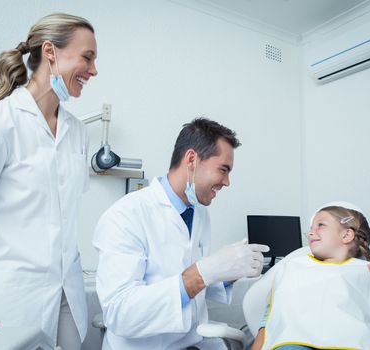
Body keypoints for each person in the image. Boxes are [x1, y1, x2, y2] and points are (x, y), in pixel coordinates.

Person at [0, 13, 98, 349]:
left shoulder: (78, 132)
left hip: (68, 298)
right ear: (50, 52)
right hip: (11, 301)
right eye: (87, 57)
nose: (94, 70)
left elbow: (62, 218)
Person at [93, 118, 269, 350]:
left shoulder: (199, 213)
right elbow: (120, 313)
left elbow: (187, 283)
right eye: (223, 170)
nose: (227, 182)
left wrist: (227, 274)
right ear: (192, 160)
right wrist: (202, 272)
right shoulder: (126, 216)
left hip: (190, 342)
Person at [251, 202, 370, 350]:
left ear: (347, 234)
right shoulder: (292, 270)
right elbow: (268, 327)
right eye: (310, 229)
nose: (311, 233)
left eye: (321, 225)